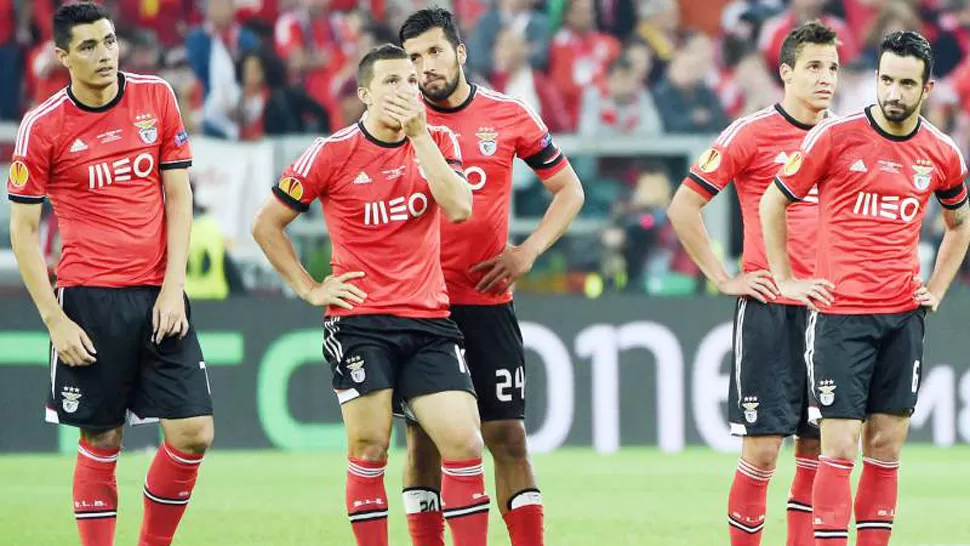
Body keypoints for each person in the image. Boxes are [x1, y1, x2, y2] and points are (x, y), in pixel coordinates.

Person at [250, 43, 489, 546]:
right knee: (369, 446)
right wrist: (310, 288)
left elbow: (462, 207)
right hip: (361, 322)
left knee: (465, 442)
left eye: (410, 80)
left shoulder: (438, 138)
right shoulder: (332, 152)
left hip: (428, 321)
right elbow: (267, 225)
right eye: (391, 82)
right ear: (364, 94)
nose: (406, 89)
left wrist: (421, 136)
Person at [6, 4, 214, 546]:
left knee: (194, 434)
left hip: (158, 295)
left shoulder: (156, 97)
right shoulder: (43, 125)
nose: (104, 55)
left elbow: (178, 195)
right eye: (89, 47)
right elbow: (24, 232)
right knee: (103, 438)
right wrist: (54, 321)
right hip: (89, 300)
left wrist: (174, 287)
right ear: (62, 57)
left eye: (109, 41)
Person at [761, 30, 970, 546]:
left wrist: (938, 287)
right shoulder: (836, 137)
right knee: (838, 449)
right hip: (840, 318)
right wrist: (787, 278)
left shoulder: (942, 153)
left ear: (927, 88)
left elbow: (960, 223)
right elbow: (774, 201)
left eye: (905, 83)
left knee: (887, 448)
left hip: (903, 318)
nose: (893, 93)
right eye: (885, 80)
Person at [399, 8, 585, 546]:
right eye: (413, 58)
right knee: (424, 444)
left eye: (434, 52)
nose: (425, 67)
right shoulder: (401, 123)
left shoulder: (509, 115)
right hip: (422, 309)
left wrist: (527, 253)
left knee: (507, 438)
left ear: (460, 52)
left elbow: (570, 190)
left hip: (487, 303)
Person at [667, 21, 840, 546]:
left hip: (832, 310)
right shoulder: (752, 132)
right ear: (785, 72)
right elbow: (684, 206)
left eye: (832, 67)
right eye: (813, 67)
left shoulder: (846, 136)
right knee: (763, 450)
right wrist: (723, 276)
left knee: (817, 450)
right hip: (772, 307)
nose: (825, 78)